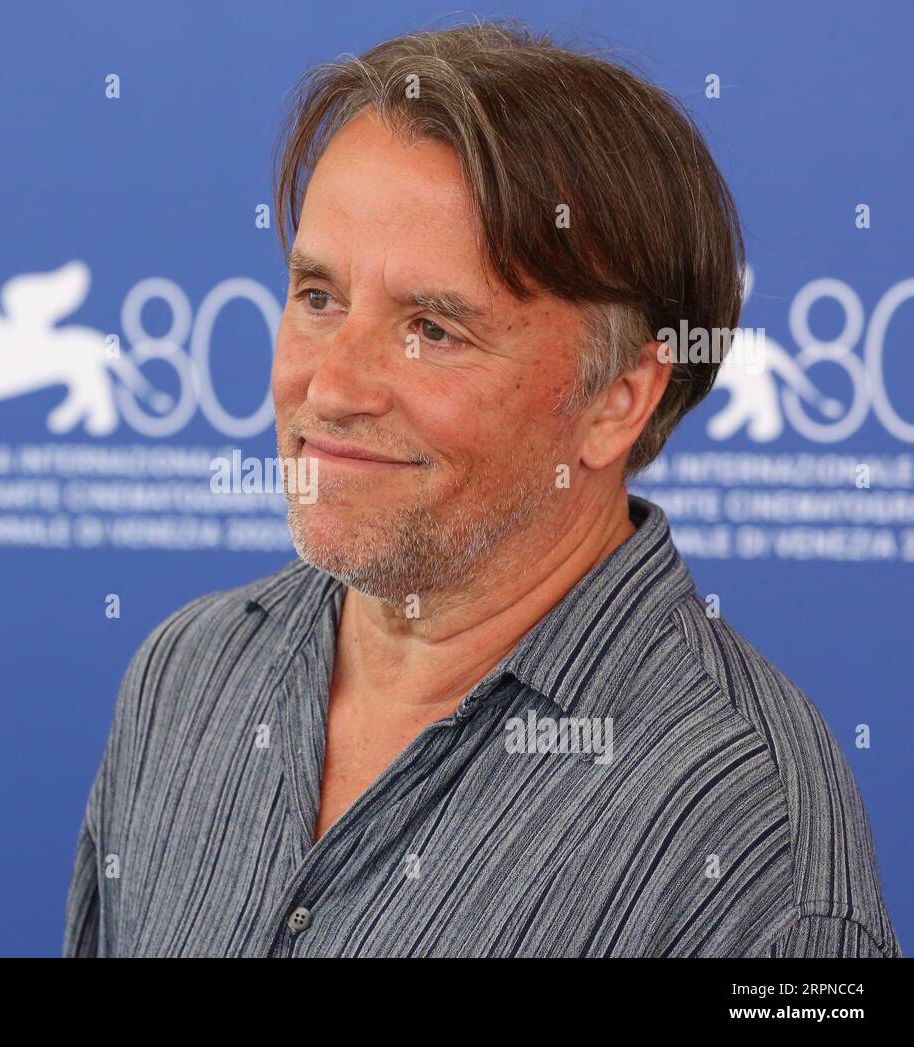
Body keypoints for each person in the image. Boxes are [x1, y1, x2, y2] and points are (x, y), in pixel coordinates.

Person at [63, 20, 901, 957]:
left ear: (617, 400)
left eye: (432, 328)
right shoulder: (188, 675)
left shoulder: (748, 823)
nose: (332, 387)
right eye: (317, 297)